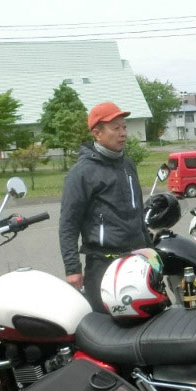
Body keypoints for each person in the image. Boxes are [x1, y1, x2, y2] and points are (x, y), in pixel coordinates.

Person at [59, 101, 149, 312]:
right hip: (103, 265)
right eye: (115, 128)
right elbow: (68, 224)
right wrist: (72, 269)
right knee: (106, 325)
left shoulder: (128, 165)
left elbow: (138, 214)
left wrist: (150, 251)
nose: (123, 133)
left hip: (136, 260)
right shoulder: (81, 173)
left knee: (144, 320)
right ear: (97, 133)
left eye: (124, 127)